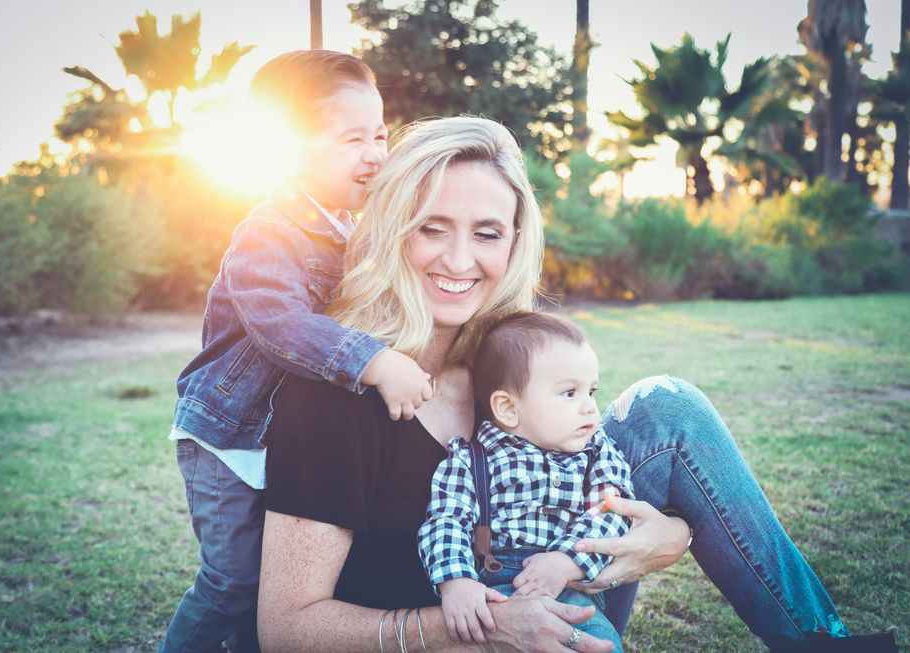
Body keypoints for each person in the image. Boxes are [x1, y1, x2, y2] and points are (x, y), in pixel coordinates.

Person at [258, 115, 893, 652]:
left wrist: (669, 538)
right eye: (432, 227)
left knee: (667, 409)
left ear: (513, 243)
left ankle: (821, 642)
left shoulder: (503, 358)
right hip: (461, 634)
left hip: (557, 600)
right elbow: (285, 628)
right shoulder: (336, 391)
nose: (459, 261)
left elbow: (593, 476)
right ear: (393, 229)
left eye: (486, 234)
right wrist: (481, 628)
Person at [158, 50, 433, 653]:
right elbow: (279, 322)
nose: (375, 153)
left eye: (380, 133)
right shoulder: (268, 231)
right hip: (228, 439)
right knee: (232, 581)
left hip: (283, 438)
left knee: (276, 587)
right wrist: (373, 360)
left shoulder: (350, 229)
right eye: (352, 138)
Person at [419, 311, 632, 652]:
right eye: (569, 393)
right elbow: (446, 521)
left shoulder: (597, 451)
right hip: (492, 594)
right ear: (507, 408)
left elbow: (612, 509)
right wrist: (456, 581)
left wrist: (566, 562)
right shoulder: (472, 458)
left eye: (591, 391)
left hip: (569, 590)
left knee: (598, 645)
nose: (590, 408)